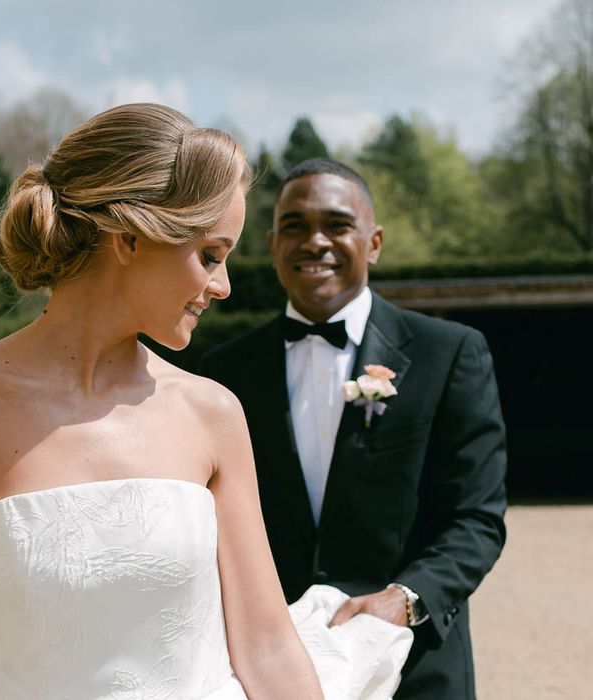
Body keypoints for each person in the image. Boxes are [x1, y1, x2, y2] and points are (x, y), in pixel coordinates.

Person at [0, 107, 410, 700]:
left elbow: (266, 645)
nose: (224, 284)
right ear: (129, 237)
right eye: (210, 255)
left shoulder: (212, 414)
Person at [200, 158, 507, 700]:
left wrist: (405, 598)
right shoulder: (223, 375)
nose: (314, 241)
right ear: (272, 245)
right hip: (270, 670)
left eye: (337, 225)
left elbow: (476, 518)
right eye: (294, 226)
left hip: (414, 662)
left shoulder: (450, 354)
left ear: (375, 243)